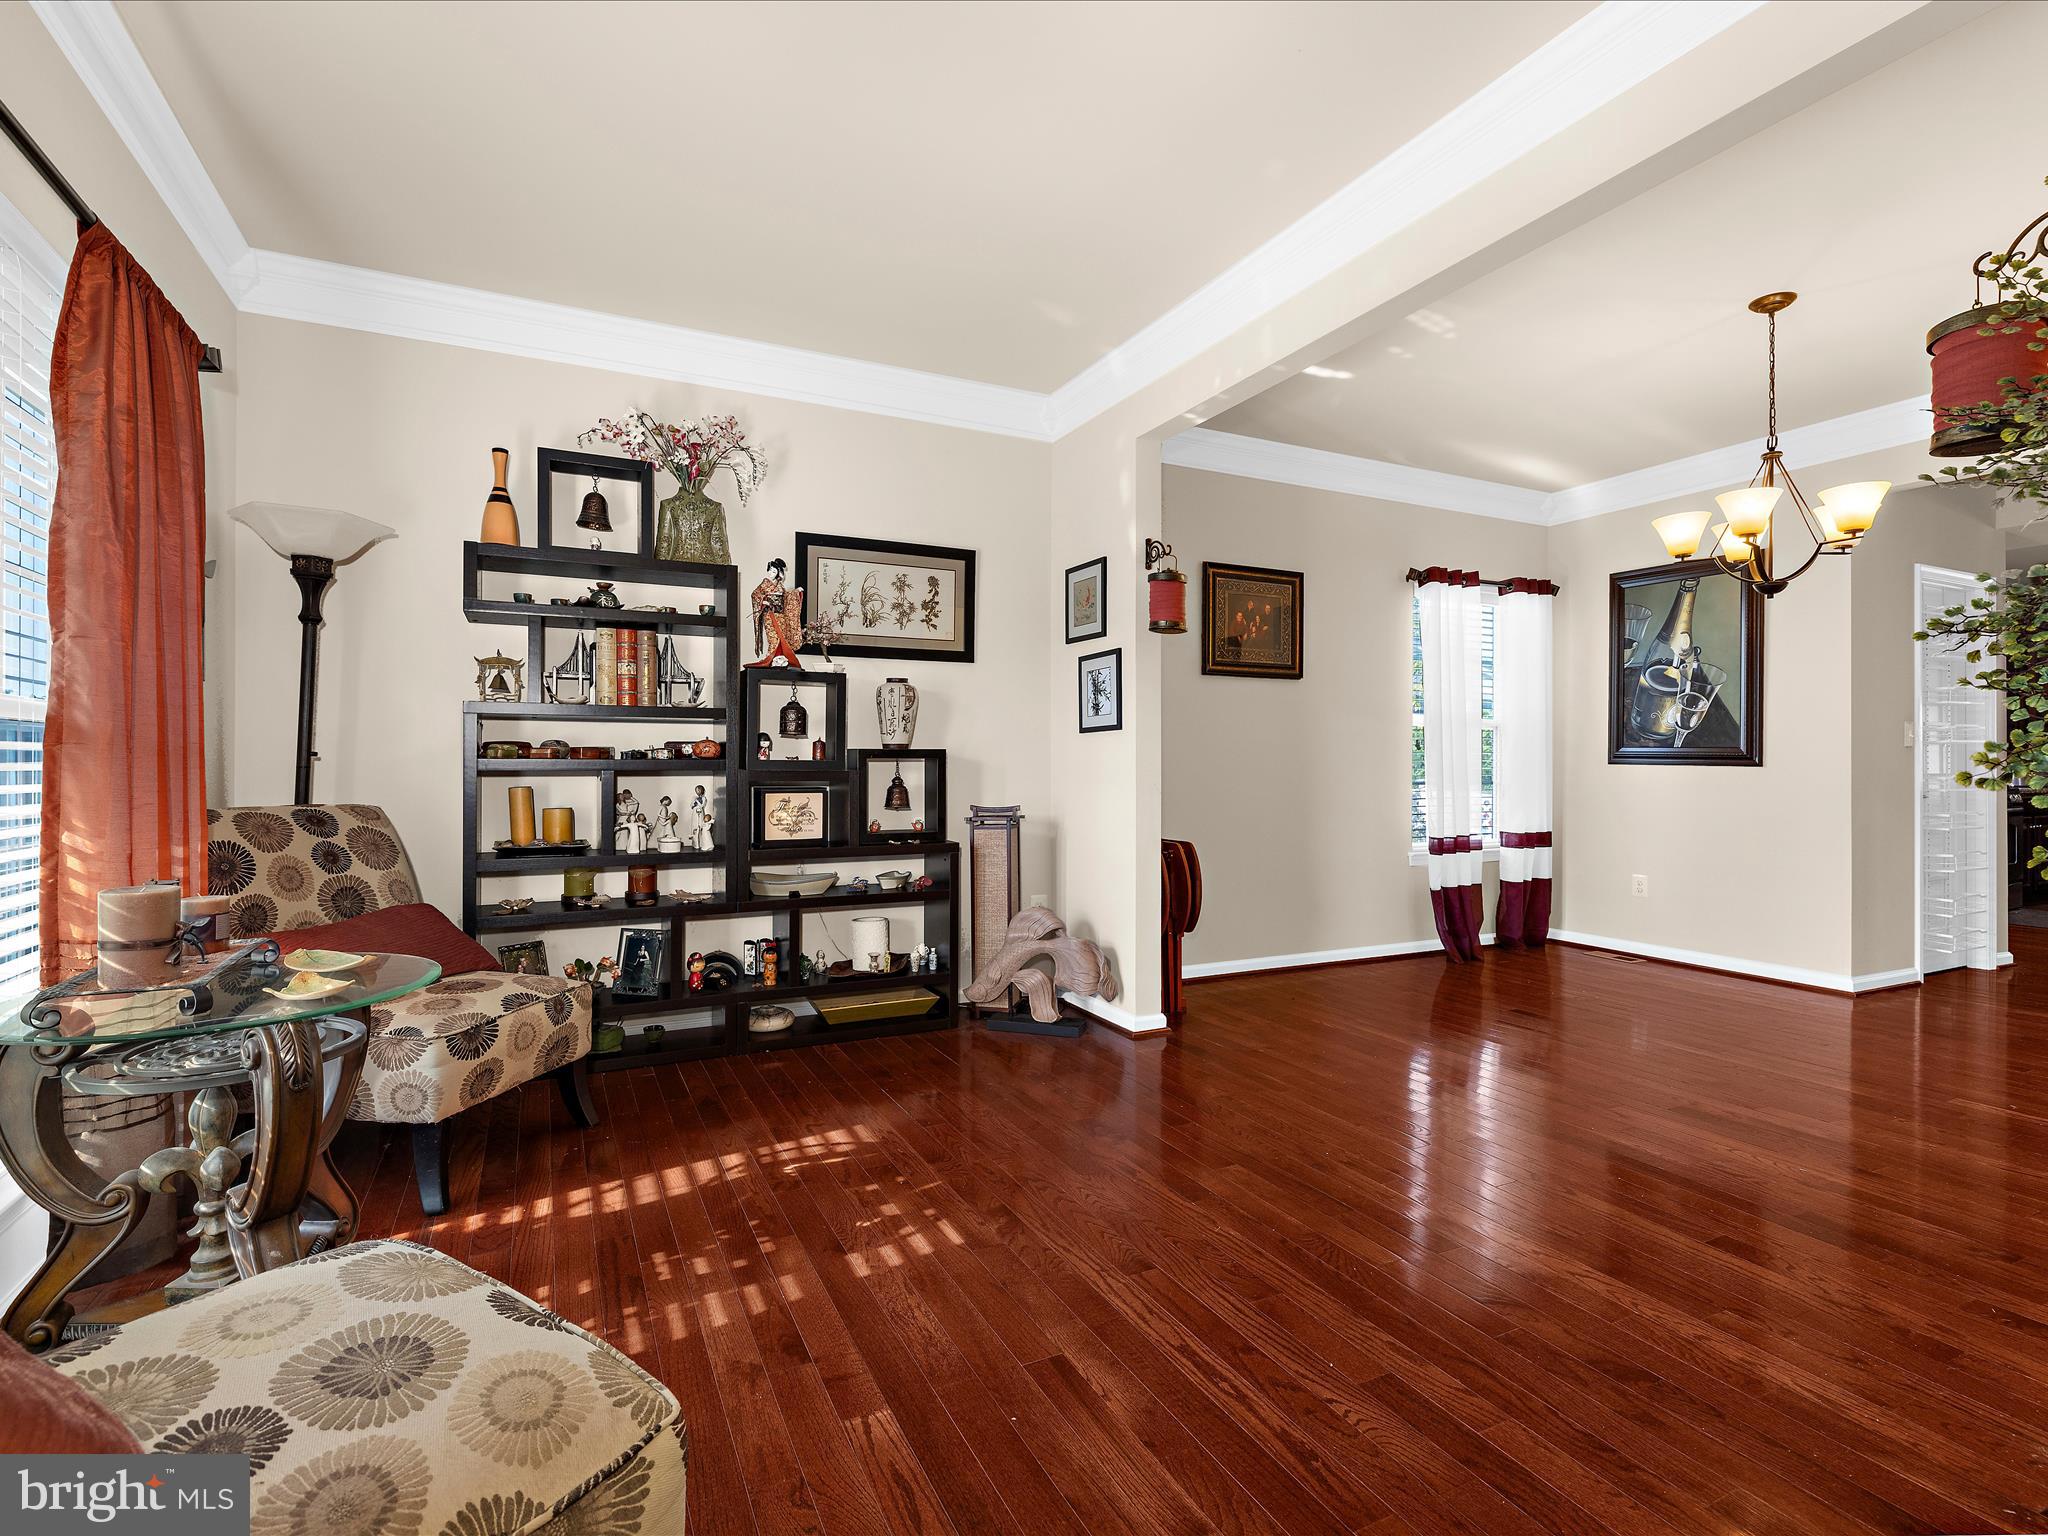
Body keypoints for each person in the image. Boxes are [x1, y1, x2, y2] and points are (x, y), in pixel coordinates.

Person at [749, 557, 806, 668]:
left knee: (782, 636)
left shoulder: (780, 586)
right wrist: (763, 601)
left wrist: (796, 592)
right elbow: (755, 595)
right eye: (770, 570)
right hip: (769, 614)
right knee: (773, 637)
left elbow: (786, 597)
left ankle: (780, 659)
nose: (771, 573)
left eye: (774, 571)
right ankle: (770, 659)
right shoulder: (764, 584)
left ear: (778, 573)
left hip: (780, 615)